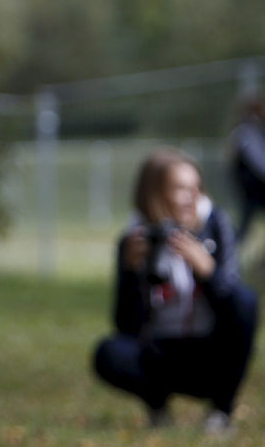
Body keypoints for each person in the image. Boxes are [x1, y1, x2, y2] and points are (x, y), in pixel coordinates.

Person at [92, 147, 258, 434]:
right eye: (181, 189)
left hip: (209, 354)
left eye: (197, 188)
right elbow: (125, 326)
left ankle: (221, 411)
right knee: (109, 353)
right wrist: (131, 273)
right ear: (154, 194)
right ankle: (157, 406)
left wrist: (207, 271)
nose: (193, 197)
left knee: (247, 299)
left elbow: (238, 310)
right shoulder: (136, 239)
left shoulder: (217, 226)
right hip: (160, 353)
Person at [230, 98, 265, 243]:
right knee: (244, 225)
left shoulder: (249, 130)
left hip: (253, 188)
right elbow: (257, 160)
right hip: (252, 189)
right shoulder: (247, 132)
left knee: (245, 224)